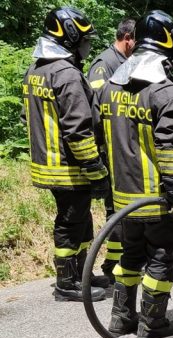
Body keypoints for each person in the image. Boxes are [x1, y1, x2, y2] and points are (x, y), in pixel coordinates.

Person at [98, 10, 173, 338]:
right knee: (159, 259)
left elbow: (102, 141)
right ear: (168, 48)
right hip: (156, 201)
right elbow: (171, 156)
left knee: (129, 257)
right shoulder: (165, 92)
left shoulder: (110, 88)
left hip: (123, 200)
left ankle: (121, 317)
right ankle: (152, 324)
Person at [21, 6, 111, 302]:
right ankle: (67, 283)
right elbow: (77, 130)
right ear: (70, 37)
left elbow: (28, 118)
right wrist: (96, 170)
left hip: (48, 162)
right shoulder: (66, 74)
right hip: (69, 166)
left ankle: (82, 274)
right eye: (84, 38)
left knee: (81, 219)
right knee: (71, 223)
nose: (87, 45)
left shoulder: (36, 69)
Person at [87, 17, 136, 284]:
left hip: (123, 147)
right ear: (127, 37)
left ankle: (117, 260)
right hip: (109, 149)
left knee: (120, 207)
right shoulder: (103, 64)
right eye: (136, 41)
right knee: (114, 208)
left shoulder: (125, 62)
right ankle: (112, 263)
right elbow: (97, 111)